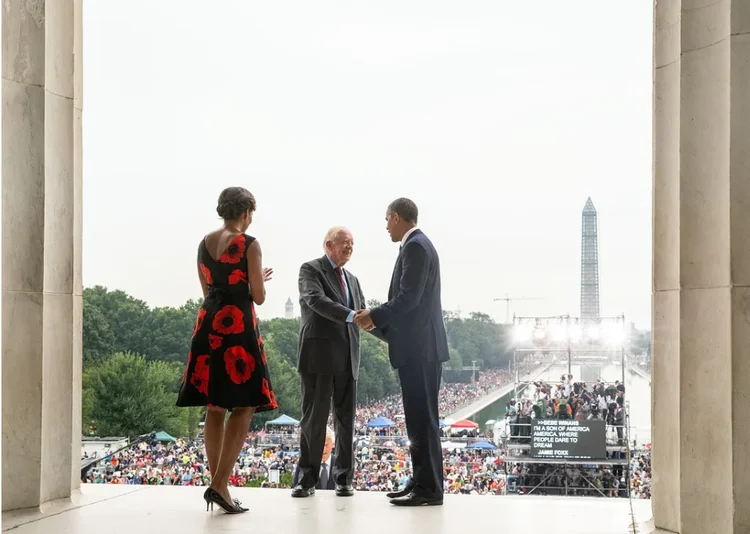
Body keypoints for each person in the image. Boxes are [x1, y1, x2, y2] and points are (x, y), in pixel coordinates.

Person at [176, 186, 278, 514]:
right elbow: (258, 296)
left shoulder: (203, 243)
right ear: (246, 212)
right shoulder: (249, 244)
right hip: (237, 325)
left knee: (215, 406)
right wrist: (255, 279)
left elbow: (208, 289)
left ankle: (219, 484)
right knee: (245, 404)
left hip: (208, 322)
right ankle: (219, 485)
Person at [355, 198, 449, 506]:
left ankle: (429, 488)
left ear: (397, 217)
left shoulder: (415, 247)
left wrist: (375, 316)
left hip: (420, 350)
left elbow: (408, 299)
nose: (385, 227)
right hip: (420, 348)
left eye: (386, 220)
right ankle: (422, 480)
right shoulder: (418, 246)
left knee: (422, 420)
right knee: (419, 420)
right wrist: (379, 326)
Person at [291, 227, 366, 498]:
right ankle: (307, 479)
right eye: (345, 242)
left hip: (348, 358)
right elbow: (316, 301)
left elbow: (363, 316)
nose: (349, 247)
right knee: (314, 420)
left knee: (347, 421)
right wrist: (351, 316)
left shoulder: (353, 280)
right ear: (328, 244)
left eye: (352, 243)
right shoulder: (310, 270)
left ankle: (344, 478)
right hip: (318, 357)